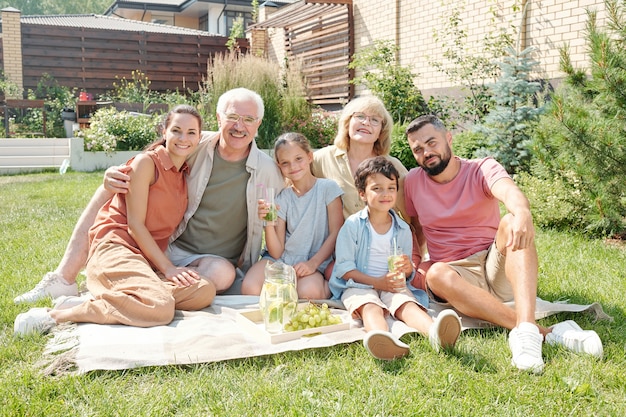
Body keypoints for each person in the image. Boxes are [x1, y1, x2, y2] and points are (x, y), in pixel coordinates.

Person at [13, 88, 284, 304]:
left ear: (258, 124)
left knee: (221, 276)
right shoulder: (196, 142)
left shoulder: (268, 171)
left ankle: (124, 295)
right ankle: (63, 279)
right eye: (233, 117)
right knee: (110, 190)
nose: (240, 126)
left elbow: (290, 199)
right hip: (171, 245)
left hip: (212, 263)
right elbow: (152, 158)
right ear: (218, 118)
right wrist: (111, 175)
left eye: (248, 119)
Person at [403, 114, 603, 373]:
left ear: (448, 138)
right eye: (418, 149)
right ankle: (541, 332)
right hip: (457, 274)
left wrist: (522, 212)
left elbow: (509, 192)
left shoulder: (480, 168)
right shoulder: (412, 182)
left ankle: (526, 331)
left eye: (432, 143)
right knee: (436, 273)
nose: (426, 152)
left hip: (495, 265)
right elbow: (414, 227)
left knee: (511, 221)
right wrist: (415, 263)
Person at [14, 105, 216, 335]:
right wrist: (168, 268)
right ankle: (57, 315)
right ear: (164, 132)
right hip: (116, 249)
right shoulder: (147, 163)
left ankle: (123, 299)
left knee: (204, 290)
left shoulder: (183, 176)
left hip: (143, 260)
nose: (183, 138)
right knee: (160, 308)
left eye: (191, 132)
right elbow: (135, 226)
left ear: (200, 137)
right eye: (176, 130)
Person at [329, 156, 462, 360]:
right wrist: (376, 282)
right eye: (377, 188)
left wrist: (408, 268)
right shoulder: (353, 226)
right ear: (362, 194)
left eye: (391, 188)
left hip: (392, 284)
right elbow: (344, 270)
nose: (386, 194)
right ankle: (382, 339)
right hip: (358, 284)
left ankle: (435, 333)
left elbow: (406, 271)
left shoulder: (402, 229)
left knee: (405, 304)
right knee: (371, 307)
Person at [241, 132, 344, 299]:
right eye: (285, 163)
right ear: (279, 166)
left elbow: (336, 232)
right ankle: (286, 291)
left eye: (298, 159)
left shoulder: (328, 189)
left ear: (310, 157)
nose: (293, 166)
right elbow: (276, 252)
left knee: (309, 293)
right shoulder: (282, 197)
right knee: (250, 288)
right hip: (282, 260)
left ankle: (328, 286)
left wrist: (313, 264)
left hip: (314, 260)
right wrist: (268, 222)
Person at [312, 96, 408, 220]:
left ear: (381, 131)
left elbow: (409, 213)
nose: (366, 123)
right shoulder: (321, 159)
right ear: (347, 123)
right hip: (335, 239)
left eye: (374, 120)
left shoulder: (394, 166)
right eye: (360, 116)